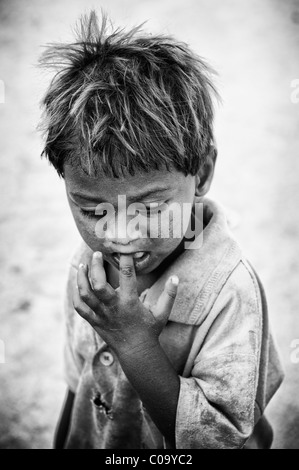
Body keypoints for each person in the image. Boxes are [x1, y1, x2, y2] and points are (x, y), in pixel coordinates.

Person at [39, 10, 284, 449]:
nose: (119, 236)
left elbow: (219, 439)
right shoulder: (87, 265)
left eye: (149, 207)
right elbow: (80, 384)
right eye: (92, 209)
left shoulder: (228, 293)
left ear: (203, 172)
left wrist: (134, 343)